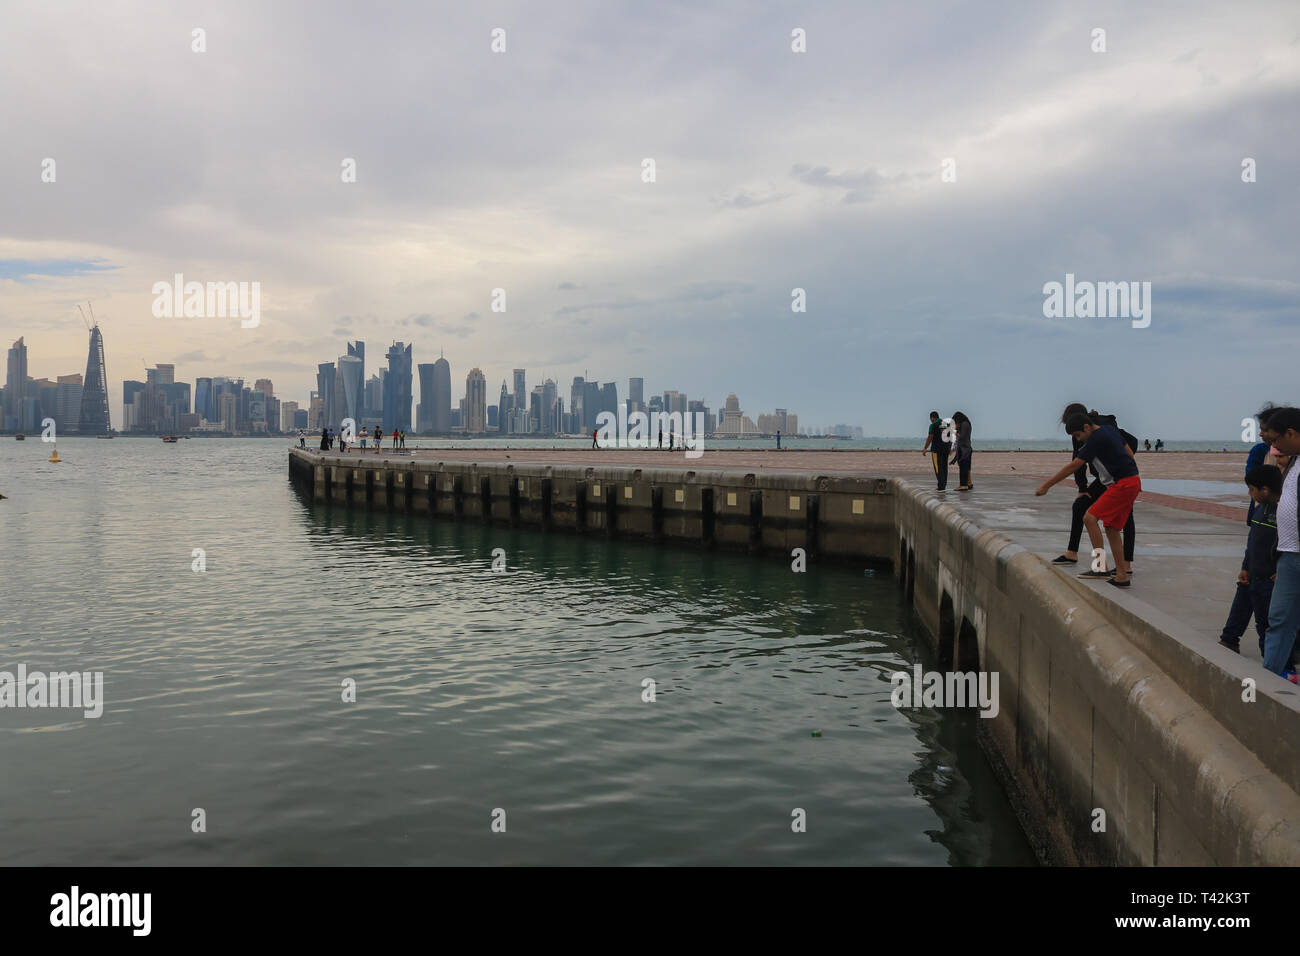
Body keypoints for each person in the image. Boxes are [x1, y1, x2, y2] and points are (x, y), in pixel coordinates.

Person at [1036, 413, 1140, 588]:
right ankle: (1121, 575)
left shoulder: (1095, 439)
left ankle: (1100, 567)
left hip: (1122, 484)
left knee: (1089, 518)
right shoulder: (1109, 430)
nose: (1079, 440)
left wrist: (1046, 485)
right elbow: (1129, 452)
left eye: (1078, 435)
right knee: (1112, 528)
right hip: (1132, 481)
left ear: (1086, 427)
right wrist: (1127, 469)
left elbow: (1074, 465)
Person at [1218, 465, 1282, 655]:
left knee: (1265, 622)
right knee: (1240, 607)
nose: (1249, 493)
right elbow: (1252, 540)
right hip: (1252, 572)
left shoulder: (1283, 512)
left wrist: (1281, 570)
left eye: (1252, 489)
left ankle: (1271, 660)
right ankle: (1229, 639)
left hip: (1269, 579)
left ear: (1265, 490)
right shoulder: (1259, 508)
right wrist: (1245, 566)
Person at [1258, 407, 1300, 677]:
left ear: (1291, 433)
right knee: (1279, 619)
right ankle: (1267, 682)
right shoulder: (1294, 462)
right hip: (1288, 556)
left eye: (1276, 440)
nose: (1274, 446)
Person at [921, 411, 950, 491]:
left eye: (931, 419)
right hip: (946, 449)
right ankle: (943, 485)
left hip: (936, 450)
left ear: (932, 418)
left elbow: (930, 437)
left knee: (938, 468)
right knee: (944, 467)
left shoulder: (933, 425)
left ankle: (941, 486)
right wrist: (950, 448)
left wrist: (925, 448)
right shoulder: (946, 424)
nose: (930, 420)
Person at [949, 411, 973, 490]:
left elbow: (962, 437)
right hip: (965, 448)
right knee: (966, 467)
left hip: (965, 449)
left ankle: (963, 485)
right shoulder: (965, 424)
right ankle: (969, 483)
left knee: (963, 467)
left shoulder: (965, 424)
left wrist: (955, 432)